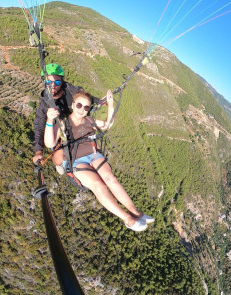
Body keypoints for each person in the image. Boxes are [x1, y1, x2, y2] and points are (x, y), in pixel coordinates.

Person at [44, 89, 154, 231]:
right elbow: (50, 143)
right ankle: (127, 219)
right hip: (75, 160)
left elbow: (107, 124)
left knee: (110, 178)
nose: (82, 110)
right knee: (98, 185)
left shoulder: (90, 120)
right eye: (79, 105)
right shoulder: (62, 123)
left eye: (86, 107)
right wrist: (49, 120)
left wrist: (110, 105)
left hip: (93, 154)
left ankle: (135, 212)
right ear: (73, 104)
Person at [32, 63, 102, 174]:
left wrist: (100, 101)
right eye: (48, 82)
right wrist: (38, 151)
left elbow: (84, 97)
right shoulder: (45, 103)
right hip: (61, 135)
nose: (53, 86)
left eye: (57, 82)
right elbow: (39, 126)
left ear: (62, 81)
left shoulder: (71, 91)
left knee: (96, 149)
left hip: (78, 128)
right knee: (58, 159)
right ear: (44, 82)